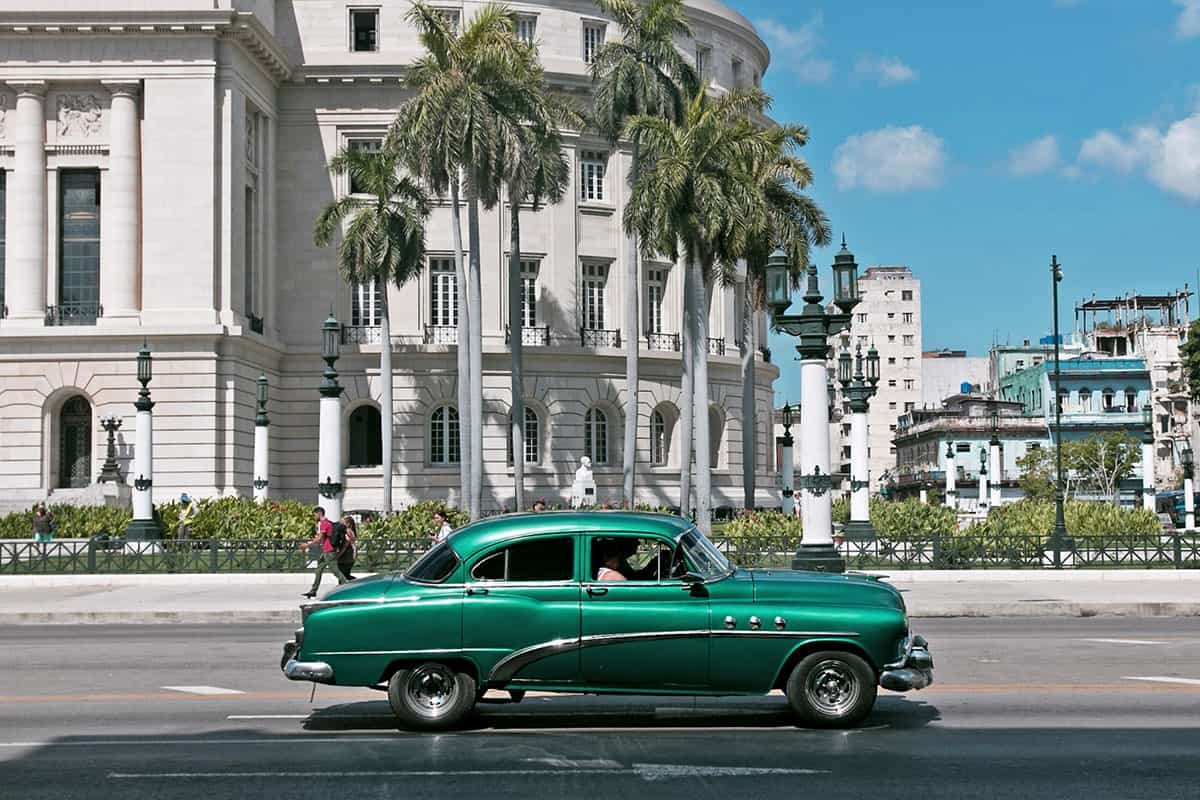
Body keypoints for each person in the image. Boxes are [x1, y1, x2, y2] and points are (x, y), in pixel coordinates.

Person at [298, 506, 348, 598]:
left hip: (329, 552)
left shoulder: (324, 523)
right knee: (318, 570)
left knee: (336, 572)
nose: (314, 517)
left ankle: (348, 587)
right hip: (326, 551)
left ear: (319, 513)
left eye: (315, 515)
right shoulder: (328, 522)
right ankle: (313, 591)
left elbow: (319, 538)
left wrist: (307, 545)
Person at [337, 515, 358, 581]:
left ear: (348, 524)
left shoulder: (347, 531)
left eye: (343, 522)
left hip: (345, 557)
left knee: (342, 576)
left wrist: (338, 555)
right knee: (346, 575)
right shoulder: (352, 531)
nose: (341, 524)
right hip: (350, 556)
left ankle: (357, 582)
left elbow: (346, 545)